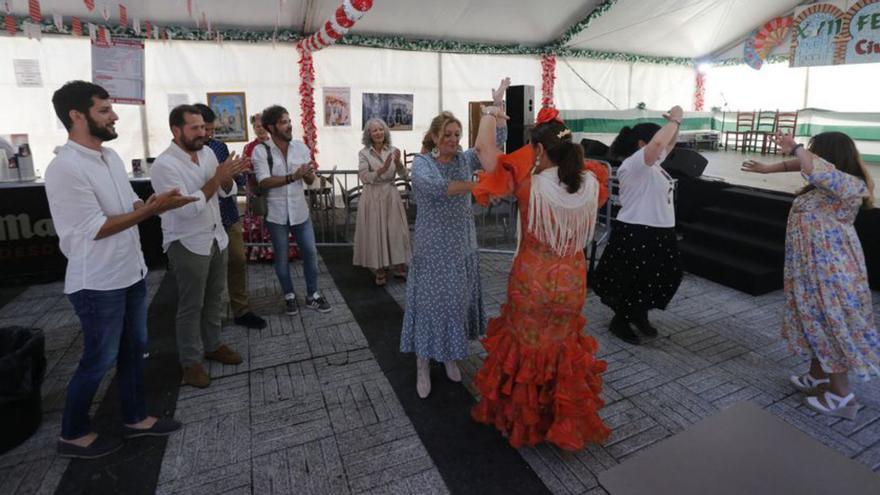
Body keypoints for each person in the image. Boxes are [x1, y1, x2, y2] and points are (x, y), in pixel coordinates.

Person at [46, 81, 188, 459]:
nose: (114, 116)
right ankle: (72, 433)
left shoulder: (109, 158)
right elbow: (96, 227)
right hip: (97, 282)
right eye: (104, 110)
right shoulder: (65, 167)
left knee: (133, 350)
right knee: (99, 358)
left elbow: (130, 204)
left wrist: (156, 202)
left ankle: (135, 416)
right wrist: (150, 211)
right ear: (77, 116)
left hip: (131, 273)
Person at [470, 107, 611, 450]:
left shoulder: (528, 186)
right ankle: (556, 418)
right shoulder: (591, 181)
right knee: (562, 348)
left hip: (531, 283)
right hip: (572, 283)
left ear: (539, 150)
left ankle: (525, 422)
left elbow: (483, 151)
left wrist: (490, 113)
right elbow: (589, 172)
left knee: (528, 349)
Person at [742, 132, 879, 419]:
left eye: (816, 152)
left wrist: (797, 147)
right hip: (812, 270)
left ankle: (843, 397)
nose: (808, 157)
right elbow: (807, 167)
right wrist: (769, 168)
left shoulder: (850, 184)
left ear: (829, 156)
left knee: (829, 324)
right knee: (813, 321)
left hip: (831, 274)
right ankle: (818, 376)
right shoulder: (822, 180)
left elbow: (814, 167)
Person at [400, 78, 510, 399]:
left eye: (457, 134)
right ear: (434, 136)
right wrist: (477, 186)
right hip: (433, 249)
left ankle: (448, 356)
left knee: (456, 304)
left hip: (461, 244)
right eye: (446, 134)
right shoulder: (422, 164)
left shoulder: (464, 158)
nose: (452, 139)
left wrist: (497, 108)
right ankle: (423, 363)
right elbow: (437, 189)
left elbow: (492, 147)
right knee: (431, 306)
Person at [150, 105, 248, 388]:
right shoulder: (165, 165)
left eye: (203, 127)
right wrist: (217, 178)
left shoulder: (206, 153)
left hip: (216, 236)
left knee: (215, 297)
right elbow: (187, 209)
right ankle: (191, 362)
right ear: (176, 130)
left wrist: (227, 177)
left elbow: (225, 192)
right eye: (195, 128)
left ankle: (213, 344)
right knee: (192, 304)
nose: (202, 133)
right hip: (187, 241)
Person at [593, 107, 684, 345]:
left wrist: (676, 126)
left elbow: (668, 144)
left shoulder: (653, 164)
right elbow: (657, 146)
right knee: (634, 279)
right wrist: (675, 119)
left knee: (657, 277)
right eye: (656, 140)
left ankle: (639, 313)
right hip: (637, 230)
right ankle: (621, 320)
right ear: (642, 143)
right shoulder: (635, 164)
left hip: (658, 229)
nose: (662, 145)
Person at [252, 105, 332, 315]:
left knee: (310, 252)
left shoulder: (300, 147)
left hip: (300, 211)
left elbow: (310, 179)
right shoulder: (261, 151)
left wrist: (306, 174)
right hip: (276, 214)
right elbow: (263, 181)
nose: (289, 125)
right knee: (281, 257)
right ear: (271, 127)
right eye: (283, 122)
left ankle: (312, 295)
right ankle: (289, 295)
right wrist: (292, 177)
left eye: (289, 121)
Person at [194, 104, 266, 330]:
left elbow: (236, 183)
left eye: (211, 130)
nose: (208, 134)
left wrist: (230, 176)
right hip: (200, 223)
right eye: (204, 129)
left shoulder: (219, 147)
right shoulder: (182, 154)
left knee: (237, 261)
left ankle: (241, 309)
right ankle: (207, 316)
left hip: (228, 216)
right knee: (205, 272)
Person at [353, 118, 411, 286]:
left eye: (381, 129)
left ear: (385, 132)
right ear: (368, 135)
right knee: (375, 232)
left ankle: (399, 264)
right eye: (374, 130)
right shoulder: (363, 153)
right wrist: (382, 170)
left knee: (395, 231)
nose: (378, 133)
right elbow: (364, 177)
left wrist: (399, 163)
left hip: (391, 195)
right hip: (372, 196)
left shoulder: (394, 150)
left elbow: (404, 175)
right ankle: (379, 269)